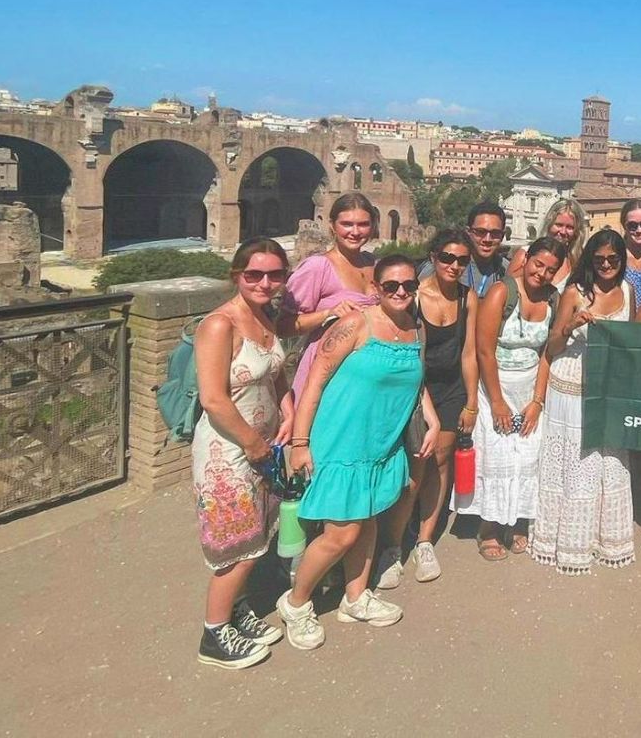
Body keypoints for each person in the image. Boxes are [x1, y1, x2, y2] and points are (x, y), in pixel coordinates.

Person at [278, 255, 439, 651]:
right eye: (391, 286)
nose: (401, 292)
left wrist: (432, 419)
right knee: (341, 533)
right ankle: (296, 602)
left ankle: (355, 597)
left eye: (408, 286)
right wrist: (300, 443)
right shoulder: (355, 325)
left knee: (367, 519)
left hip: (382, 440)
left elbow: (417, 382)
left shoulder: (416, 328)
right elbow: (314, 383)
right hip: (342, 438)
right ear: (376, 290)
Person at [191, 238, 293, 669]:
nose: (264, 282)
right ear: (237, 276)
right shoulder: (220, 325)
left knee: (256, 534)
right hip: (228, 451)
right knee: (238, 544)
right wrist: (253, 443)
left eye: (274, 275)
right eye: (254, 274)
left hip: (262, 445)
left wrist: (287, 410)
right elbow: (213, 398)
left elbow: (274, 373)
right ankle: (214, 635)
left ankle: (236, 611)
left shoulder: (263, 316)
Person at [532, 229, 641, 574]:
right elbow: (552, 346)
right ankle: (568, 541)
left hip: (608, 386)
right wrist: (570, 325)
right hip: (571, 383)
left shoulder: (629, 291)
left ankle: (603, 537)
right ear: (590, 260)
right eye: (600, 259)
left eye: (613, 259)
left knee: (607, 461)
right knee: (576, 462)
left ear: (622, 260)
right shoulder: (574, 292)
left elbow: (637, 341)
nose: (607, 265)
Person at [375, 229, 479, 589]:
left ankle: (423, 540)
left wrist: (472, 401)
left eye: (463, 260)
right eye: (447, 258)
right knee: (417, 466)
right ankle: (391, 545)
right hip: (415, 386)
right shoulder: (415, 296)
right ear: (433, 257)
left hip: (450, 388)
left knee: (441, 460)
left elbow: (468, 352)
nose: (455, 265)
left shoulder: (469, 298)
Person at [453, 237, 565, 560]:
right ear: (526, 259)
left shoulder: (552, 300)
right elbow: (485, 350)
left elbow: (547, 354)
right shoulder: (503, 292)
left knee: (528, 456)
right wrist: (497, 401)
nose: (542, 274)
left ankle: (518, 521)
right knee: (497, 455)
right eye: (538, 264)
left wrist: (538, 401)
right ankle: (488, 527)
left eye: (550, 270)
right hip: (496, 387)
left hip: (530, 387)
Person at [277, 192, 379, 403]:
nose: (355, 231)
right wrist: (327, 314)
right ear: (332, 225)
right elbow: (283, 327)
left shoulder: (374, 264)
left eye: (363, 224)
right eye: (347, 224)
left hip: (369, 375)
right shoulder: (317, 267)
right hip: (328, 375)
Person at [417, 201, 509, 301]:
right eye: (480, 232)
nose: (487, 239)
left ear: (502, 236)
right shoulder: (442, 264)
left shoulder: (506, 269)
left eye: (495, 233)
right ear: (468, 232)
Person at [509, 200, 586, 292]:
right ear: (549, 224)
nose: (562, 232)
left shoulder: (577, 262)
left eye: (569, 227)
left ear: (577, 231)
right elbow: (506, 286)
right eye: (559, 225)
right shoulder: (525, 254)